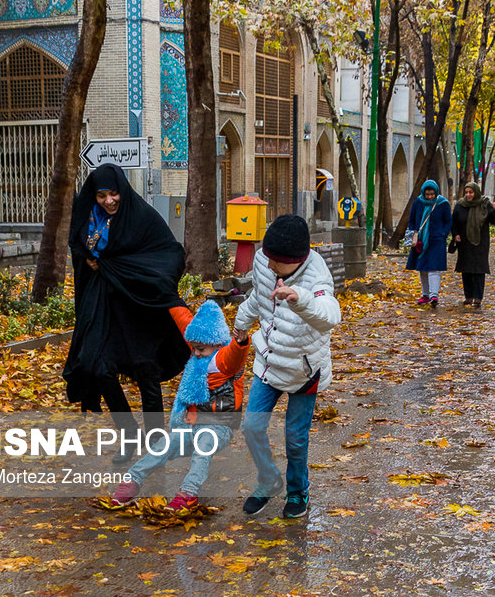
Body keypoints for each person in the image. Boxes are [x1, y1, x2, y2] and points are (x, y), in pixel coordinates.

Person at [62, 164, 190, 464]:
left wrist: (149, 279)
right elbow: (77, 245)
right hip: (103, 305)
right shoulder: (89, 216)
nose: (109, 201)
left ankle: (156, 442)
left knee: (146, 371)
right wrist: (90, 262)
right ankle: (129, 432)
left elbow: (171, 253)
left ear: (123, 191)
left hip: (140, 306)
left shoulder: (142, 216)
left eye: (114, 193)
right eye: (102, 195)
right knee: (97, 367)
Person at [235, 215, 340, 519]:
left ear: (296, 261)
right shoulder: (264, 261)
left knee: (295, 439)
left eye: (275, 262)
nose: (268, 266)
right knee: (252, 427)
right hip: (269, 361)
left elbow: (330, 315)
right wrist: (242, 323)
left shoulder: (317, 277)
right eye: (266, 258)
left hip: (304, 370)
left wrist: (299, 299)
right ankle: (268, 481)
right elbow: (258, 298)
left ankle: (297, 493)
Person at [109, 301, 248, 511]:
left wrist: (241, 343)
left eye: (200, 349)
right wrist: (166, 295)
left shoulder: (224, 360)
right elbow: (183, 319)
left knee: (203, 448)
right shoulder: (198, 352)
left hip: (218, 426)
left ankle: (188, 494)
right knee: (163, 446)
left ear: (217, 343)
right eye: (193, 348)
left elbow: (236, 355)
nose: (196, 353)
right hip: (190, 423)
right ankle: (131, 482)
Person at [452, 182, 495, 309]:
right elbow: (454, 222)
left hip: (480, 242)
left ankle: (478, 297)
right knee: (466, 270)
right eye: (466, 192)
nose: (468, 195)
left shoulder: (484, 204)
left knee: (479, 270)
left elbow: (494, 220)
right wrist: (455, 234)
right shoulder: (460, 205)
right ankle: (468, 296)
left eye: (471, 192)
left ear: (476, 192)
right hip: (464, 243)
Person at [406, 180, 452, 307]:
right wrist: (413, 234)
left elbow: (448, 221)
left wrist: (442, 234)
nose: (430, 196)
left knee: (434, 268)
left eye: (432, 194)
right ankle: (425, 294)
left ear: (436, 193)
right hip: (420, 241)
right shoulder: (418, 202)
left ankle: (434, 295)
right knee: (423, 268)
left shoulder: (442, 203)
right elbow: (412, 219)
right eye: (427, 194)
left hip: (437, 241)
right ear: (423, 193)